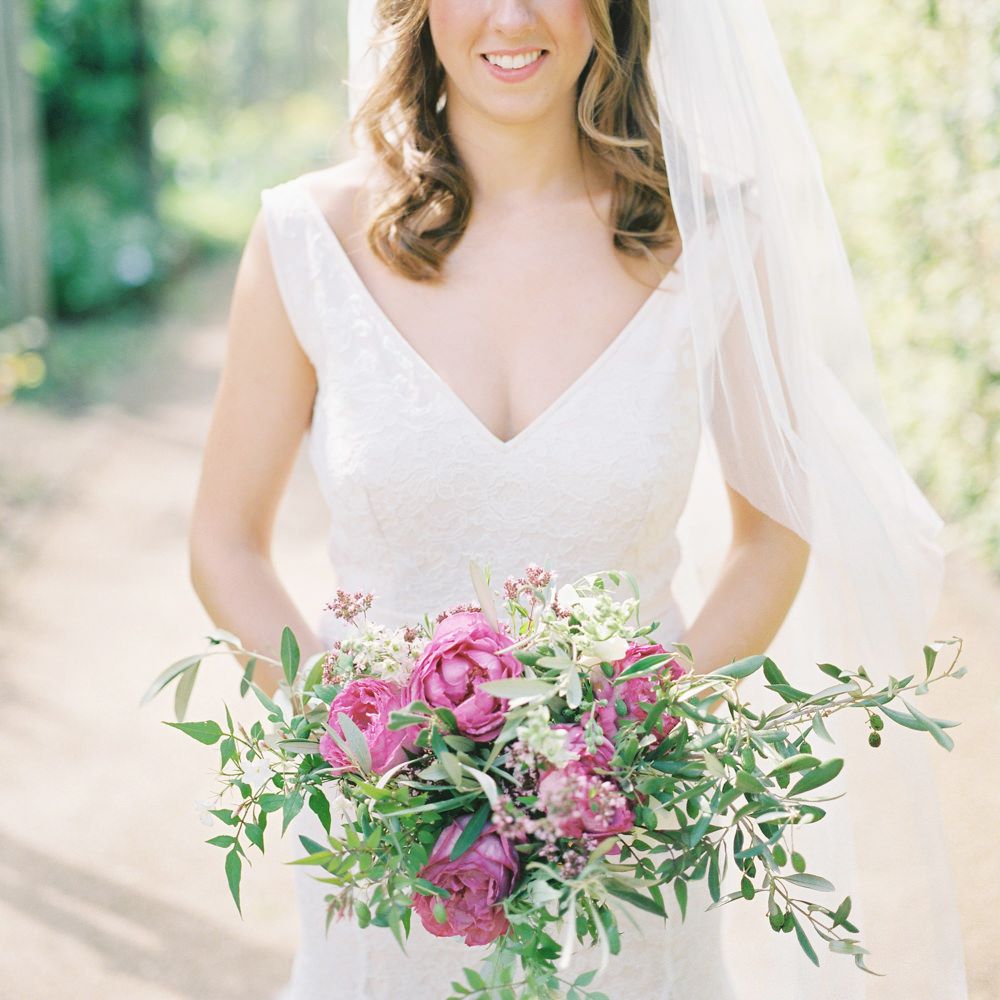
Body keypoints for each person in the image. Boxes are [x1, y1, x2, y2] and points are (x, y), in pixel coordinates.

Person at [189, 2, 967, 998]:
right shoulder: (307, 236)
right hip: (391, 858)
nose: (511, 17)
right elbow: (224, 542)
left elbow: (772, 534)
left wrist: (629, 753)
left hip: (627, 856)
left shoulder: (714, 234)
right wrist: (354, 742)